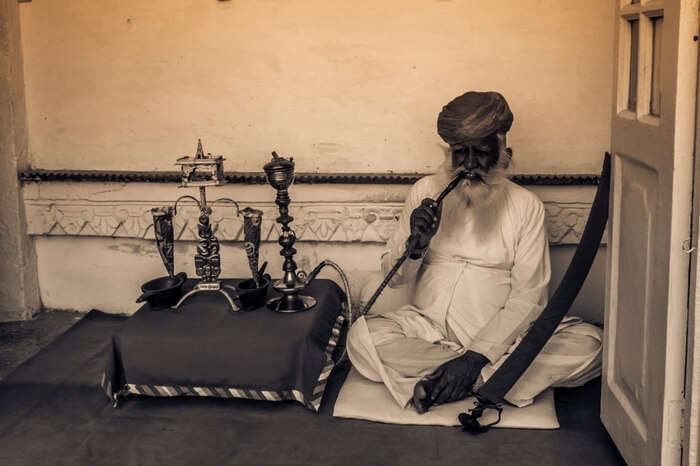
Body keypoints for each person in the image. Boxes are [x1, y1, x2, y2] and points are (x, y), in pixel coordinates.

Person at [346, 91, 602, 413]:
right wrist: (417, 243)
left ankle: (458, 376)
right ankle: (482, 380)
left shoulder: (526, 206)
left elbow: (529, 298)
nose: (468, 164)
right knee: (361, 336)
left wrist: (477, 354)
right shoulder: (426, 192)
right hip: (429, 330)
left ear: (504, 154)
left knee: (592, 344)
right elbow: (394, 279)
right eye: (459, 153)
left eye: (480, 153)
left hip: (504, 340)